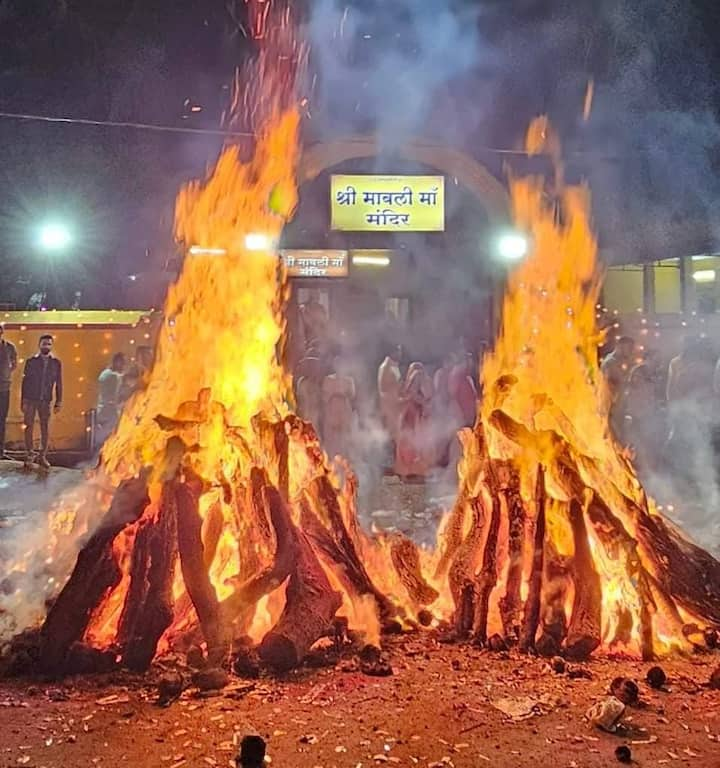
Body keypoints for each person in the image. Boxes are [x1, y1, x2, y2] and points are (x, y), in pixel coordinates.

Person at [21, 334, 63, 469]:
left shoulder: (56, 363)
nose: (46, 346)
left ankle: (42, 456)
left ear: (52, 346)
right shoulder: (31, 361)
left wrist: (59, 401)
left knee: (45, 428)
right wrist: (23, 400)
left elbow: (59, 383)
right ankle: (29, 455)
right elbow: (25, 382)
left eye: (49, 344)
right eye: (44, 343)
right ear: (39, 345)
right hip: (31, 400)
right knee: (29, 427)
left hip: (46, 400)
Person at [395, 362, 435, 478]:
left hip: (413, 412)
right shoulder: (418, 375)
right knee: (411, 441)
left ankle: (410, 471)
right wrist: (424, 403)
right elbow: (413, 394)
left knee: (411, 441)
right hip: (412, 412)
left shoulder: (415, 378)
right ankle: (411, 471)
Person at [321, 353, 356, 459]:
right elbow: (324, 398)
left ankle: (346, 464)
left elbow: (353, 396)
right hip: (331, 413)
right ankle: (331, 464)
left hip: (345, 413)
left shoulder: (349, 381)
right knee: (332, 441)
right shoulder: (328, 380)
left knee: (345, 440)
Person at [601, 336, 635, 437]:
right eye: (629, 349)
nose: (630, 352)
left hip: (618, 407)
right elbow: (609, 384)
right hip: (611, 407)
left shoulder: (621, 362)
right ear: (620, 346)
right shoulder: (610, 363)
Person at [96, 353, 126, 444]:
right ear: (117, 362)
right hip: (109, 412)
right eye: (123, 363)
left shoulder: (105, 373)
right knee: (108, 440)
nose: (124, 365)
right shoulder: (113, 376)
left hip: (103, 410)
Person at [377, 345, 403, 439]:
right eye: (399, 351)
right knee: (391, 437)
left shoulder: (394, 366)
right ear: (393, 352)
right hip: (390, 409)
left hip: (396, 407)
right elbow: (385, 389)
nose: (401, 354)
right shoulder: (386, 368)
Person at [0, 323, 18, 459]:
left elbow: (14, 364)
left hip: (4, 389)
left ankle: (1, 452)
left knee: (2, 420)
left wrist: (5, 375)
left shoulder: (10, 347)